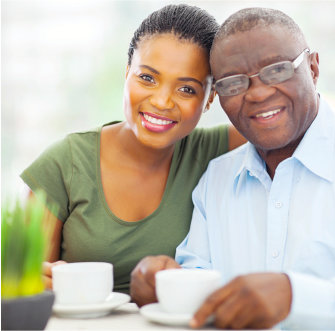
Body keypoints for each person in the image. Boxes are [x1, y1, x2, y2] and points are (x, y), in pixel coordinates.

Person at [130, 7, 335, 330]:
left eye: (277, 70)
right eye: (233, 83)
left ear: (314, 67)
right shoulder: (217, 179)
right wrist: (162, 286)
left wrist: (294, 297)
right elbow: (199, 284)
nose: (259, 93)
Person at [20, 4, 247, 294]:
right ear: (127, 73)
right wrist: (34, 281)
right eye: (147, 78)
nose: (162, 102)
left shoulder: (217, 149)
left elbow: (294, 122)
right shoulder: (64, 164)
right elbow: (18, 283)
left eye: (187, 89)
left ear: (211, 98)